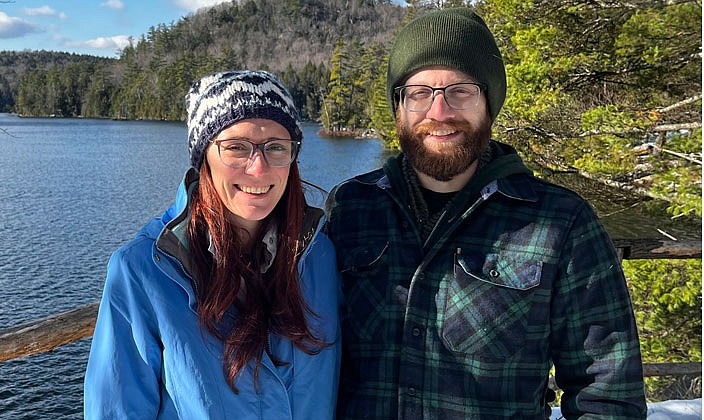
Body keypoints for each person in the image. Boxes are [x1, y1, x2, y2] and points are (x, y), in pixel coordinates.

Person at [325, 8, 647, 419]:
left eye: (460, 91)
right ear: (398, 108)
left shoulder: (562, 224)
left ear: (489, 104)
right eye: (419, 93)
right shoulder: (350, 208)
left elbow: (608, 395)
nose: (438, 112)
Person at [84, 70, 341, 419]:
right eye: (236, 147)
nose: (258, 167)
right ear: (204, 157)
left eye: (276, 147)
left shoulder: (317, 256)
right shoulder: (146, 269)